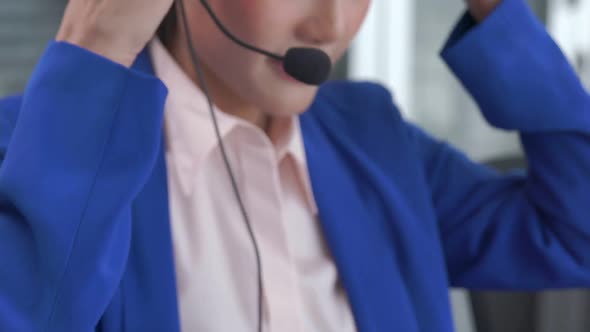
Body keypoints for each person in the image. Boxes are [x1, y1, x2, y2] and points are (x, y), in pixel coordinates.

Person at [0, 0, 589, 331]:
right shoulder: (34, 154)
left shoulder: (374, 140)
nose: (330, 25)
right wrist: (93, 47)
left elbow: (578, 235)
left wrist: (498, 12)